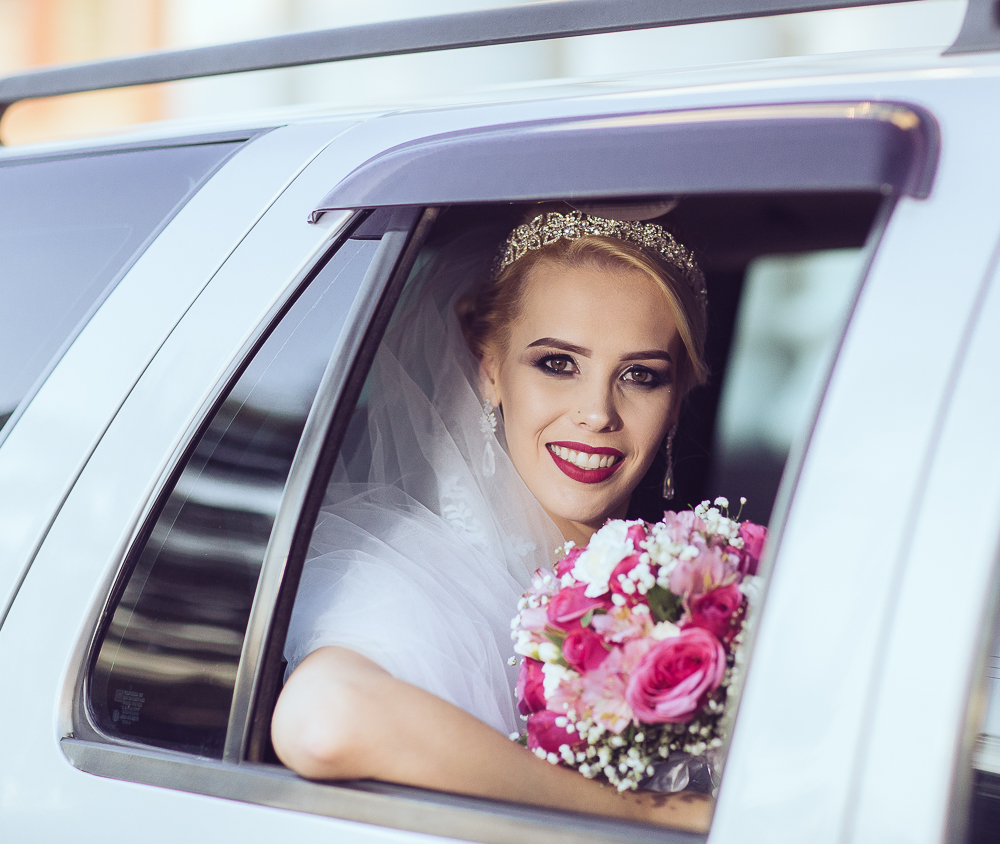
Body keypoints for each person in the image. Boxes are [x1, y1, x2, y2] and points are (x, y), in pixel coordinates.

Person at [271, 206, 713, 831]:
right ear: (490, 370)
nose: (596, 413)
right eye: (557, 363)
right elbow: (323, 722)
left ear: (677, 399)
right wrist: (641, 812)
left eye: (640, 376)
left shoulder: (703, 594)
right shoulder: (413, 577)